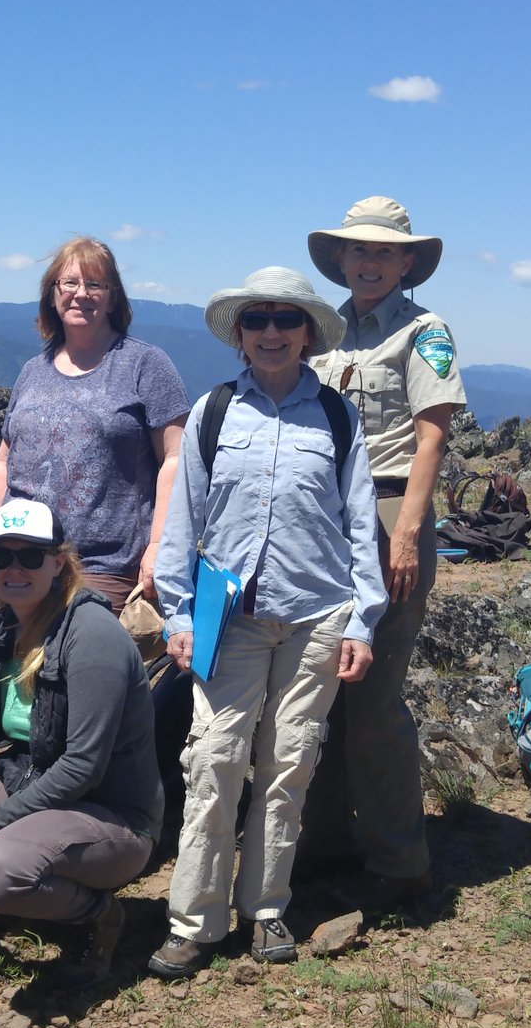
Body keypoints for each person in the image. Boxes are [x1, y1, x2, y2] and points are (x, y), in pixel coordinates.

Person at [145, 267, 384, 978]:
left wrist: (362, 622)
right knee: (214, 757)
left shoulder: (338, 417)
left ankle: (267, 908)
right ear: (240, 335)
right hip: (231, 617)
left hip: (318, 614)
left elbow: (361, 525)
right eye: (258, 320)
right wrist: (178, 613)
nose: (272, 332)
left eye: (287, 319)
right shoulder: (214, 413)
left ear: (309, 333)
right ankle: (194, 919)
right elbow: (184, 518)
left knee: (290, 763)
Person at [301, 197, 465, 910]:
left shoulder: (424, 332)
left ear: (406, 262)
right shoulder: (324, 333)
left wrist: (406, 531)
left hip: (393, 503)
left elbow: (433, 435)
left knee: (373, 699)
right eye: (356, 251)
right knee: (323, 686)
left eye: (383, 252)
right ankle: (328, 842)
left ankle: (401, 860)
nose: (368, 262)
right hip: (326, 511)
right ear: (341, 259)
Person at [0, 499, 160, 986]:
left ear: (58, 562)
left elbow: (82, 768)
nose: (15, 568)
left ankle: (100, 916)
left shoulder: (91, 634)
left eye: (31, 556)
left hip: (110, 813)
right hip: (29, 777)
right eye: (1, 557)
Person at [0, 237, 189, 618]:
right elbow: (4, 459)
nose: (81, 294)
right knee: (17, 674)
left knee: (86, 673)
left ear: (113, 298)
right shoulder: (33, 370)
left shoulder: (145, 365)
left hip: (103, 568)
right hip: (21, 560)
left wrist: (159, 547)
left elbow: (176, 460)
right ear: (52, 293)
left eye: (95, 285)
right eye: (70, 283)